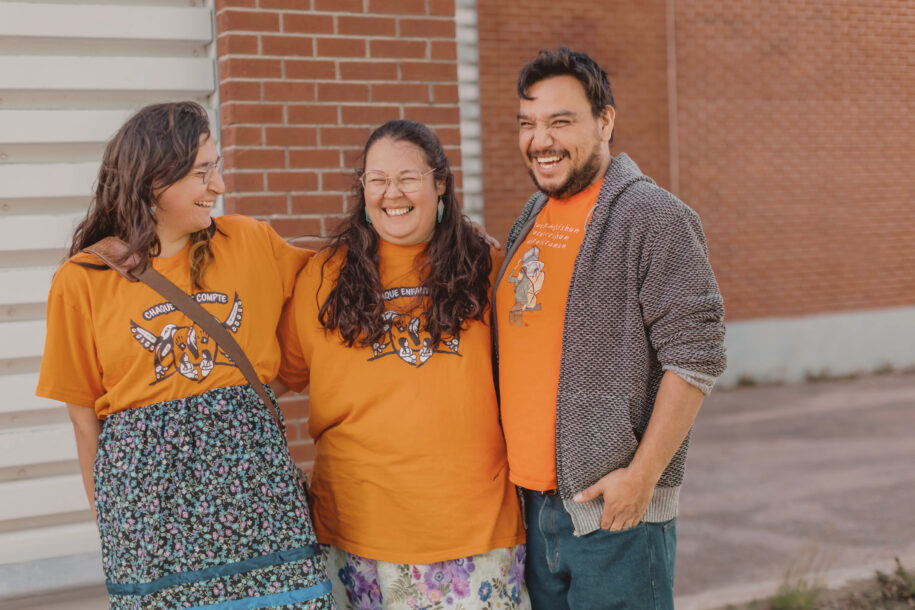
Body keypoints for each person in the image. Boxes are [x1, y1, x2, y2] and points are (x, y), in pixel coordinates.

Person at [36, 102, 334, 609]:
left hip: (257, 502)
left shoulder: (251, 242)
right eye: (203, 172)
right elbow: (84, 422)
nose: (218, 186)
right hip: (150, 523)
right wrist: (113, 526)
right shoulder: (83, 280)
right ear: (154, 182)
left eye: (215, 168)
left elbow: (337, 285)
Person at [493, 47, 727, 609]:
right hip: (534, 506)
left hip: (614, 513)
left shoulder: (653, 217)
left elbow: (697, 356)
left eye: (560, 121)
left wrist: (641, 479)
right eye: (528, 124)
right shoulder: (532, 215)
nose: (539, 140)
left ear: (605, 121)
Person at [277, 120, 528, 609]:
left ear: (440, 184)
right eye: (377, 179)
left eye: (408, 178)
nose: (392, 193)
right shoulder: (323, 277)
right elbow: (271, 380)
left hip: (472, 533)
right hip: (357, 532)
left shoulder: (487, 269)